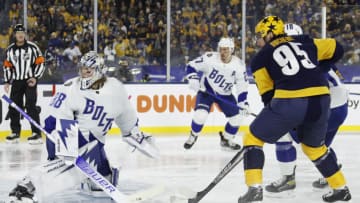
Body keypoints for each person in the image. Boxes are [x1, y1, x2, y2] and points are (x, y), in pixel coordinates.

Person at [8, 51, 159, 202]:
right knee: (72, 163)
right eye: (83, 68)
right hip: (66, 138)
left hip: (95, 143)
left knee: (100, 187)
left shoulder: (115, 89)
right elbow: (53, 119)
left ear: (100, 70)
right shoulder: (71, 87)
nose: (85, 72)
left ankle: (93, 175)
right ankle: (27, 187)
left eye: (89, 69)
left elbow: (126, 117)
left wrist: (135, 134)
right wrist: (65, 143)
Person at [239, 16, 351, 202]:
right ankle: (341, 188)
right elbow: (337, 48)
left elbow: (268, 96)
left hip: (290, 100)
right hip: (322, 99)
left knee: (252, 138)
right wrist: (316, 66)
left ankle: (254, 189)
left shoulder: (260, 58)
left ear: (270, 33)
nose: (257, 40)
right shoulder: (305, 41)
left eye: (260, 35)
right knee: (315, 148)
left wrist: (282, 119)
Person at [265, 23, 349, 195]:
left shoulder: (290, 60)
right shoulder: (312, 52)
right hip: (339, 107)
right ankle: (331, 176)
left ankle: (288, 178)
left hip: (326, 108)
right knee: (319, 146)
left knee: (283, 133)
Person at [183, 37, 250, 151]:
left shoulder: (239, 65)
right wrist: (193, 78)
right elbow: (191, 65)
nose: (223, 52)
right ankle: (193, 135)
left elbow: (242, 85)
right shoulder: (210, 58)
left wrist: (243, 102)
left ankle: (226, 139)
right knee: (201, 115)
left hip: (225, 94)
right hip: (207, 92)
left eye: (226, 50)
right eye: (221, 49)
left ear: (232, 50)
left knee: (238, 116)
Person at [3, 24, 45, 144]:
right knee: (14, 106)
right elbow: (7, 66)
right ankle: (15, 133)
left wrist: (35, 77)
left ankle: (36, 133)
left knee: (31, 105)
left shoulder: (33, 47)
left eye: (22, 33)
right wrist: (7, 81)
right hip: (17, 81)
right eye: (18, 33)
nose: (20, 35)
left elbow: (41, 62)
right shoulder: (10, 49)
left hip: (29, 80)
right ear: (15, 35)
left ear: (25, 34)